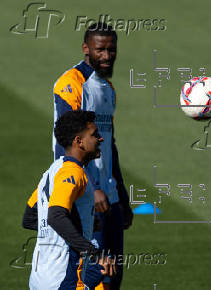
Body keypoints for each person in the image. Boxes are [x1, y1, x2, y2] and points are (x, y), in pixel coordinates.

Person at [23, 22, 133, 289]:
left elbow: (110, 146)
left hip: (110, 196)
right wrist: (90, 189)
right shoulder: (71, 84)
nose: (107, 56)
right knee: (95, 277)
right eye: (100, 50)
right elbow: (67, 141)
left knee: (113, 274)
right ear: (86, 49)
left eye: (112, 50)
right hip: (86, 193)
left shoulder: (108, 90)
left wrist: (121, 195)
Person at [25, 110, 115, 289]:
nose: (100, 139)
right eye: (94, 135)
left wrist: (83, 225)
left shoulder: (53, 170)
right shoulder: (73, 172)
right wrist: (94, 254)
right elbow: (56, 216)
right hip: (63, 278)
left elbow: (30, 218)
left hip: (39, 278)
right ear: (78, 141)